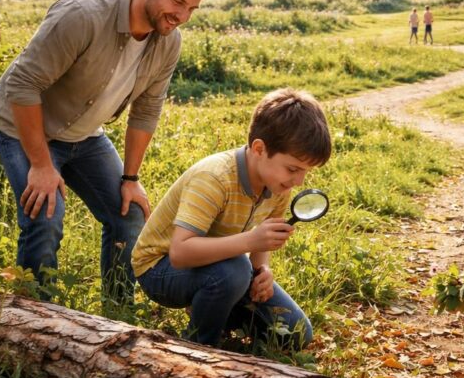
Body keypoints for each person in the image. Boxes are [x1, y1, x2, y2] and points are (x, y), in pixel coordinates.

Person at [0, 0, 217, 309]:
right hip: (23, 126)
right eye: (177, 2)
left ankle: (116, 315)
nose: (183, 16)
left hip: (84, 134)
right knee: (46, 215)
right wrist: (42, 166)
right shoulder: (82, 15)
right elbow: (22, 85)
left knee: (130, 214)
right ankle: (35, 317)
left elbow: (146, 109)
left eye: (192, 8)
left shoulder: (168, 41)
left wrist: (131, 179)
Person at [131, 88, 330, 350]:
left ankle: (217, 308)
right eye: (293, 169)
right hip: (160, 269)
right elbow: (179, 253)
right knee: (235, 270)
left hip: (218, 264)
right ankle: (198, 348)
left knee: (295, 333)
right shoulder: (214, 178)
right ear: (259, 148)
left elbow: (260, 247)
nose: (299, 180)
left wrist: (263, 271)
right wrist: (250, 241)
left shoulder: (278, 185)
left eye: (305, 172)